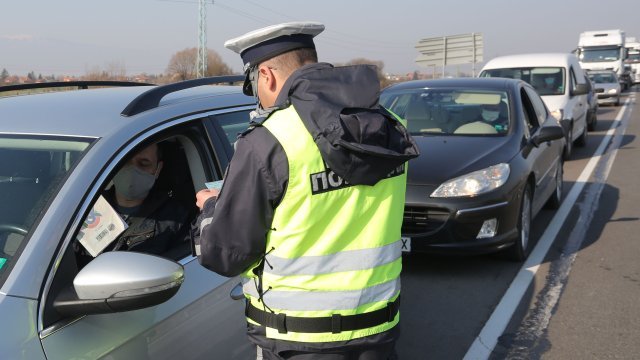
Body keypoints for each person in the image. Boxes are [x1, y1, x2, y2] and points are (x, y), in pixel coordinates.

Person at [193, 21, 419, 359]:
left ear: (266, 76)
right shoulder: (384, 125)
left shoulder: (268, 141)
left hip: (298, 340)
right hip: (378, 331)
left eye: (252, 84)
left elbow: (226, 254)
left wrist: (212, 208)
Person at [103, 142, 191, 256]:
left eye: (144, 164)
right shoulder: (88, 207)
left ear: (157, 169)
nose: (132, 170)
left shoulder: (176, 219)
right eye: (125, 161)